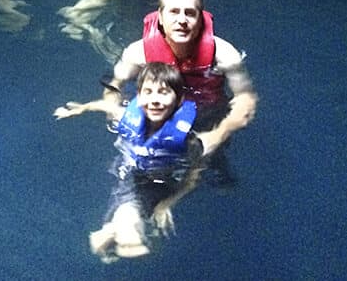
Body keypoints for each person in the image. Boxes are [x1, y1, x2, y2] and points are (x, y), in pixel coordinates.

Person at [54, 63, 227, 262]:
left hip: (164, 183)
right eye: (148, 93)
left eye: (163, 93)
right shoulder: (128, 117)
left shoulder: (187, 141)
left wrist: (167, 203)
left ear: (179, 100)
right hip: (129, 174)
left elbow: (193, 177)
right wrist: (80, 109)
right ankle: (124, 233)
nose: (154, 100)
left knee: (136, 209)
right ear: (139, 96)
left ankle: (120, 233)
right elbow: (108, 106)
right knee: (130, 206)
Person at [106, 0, 257, 131]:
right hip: (157, 114)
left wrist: (217, 136)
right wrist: (116, 113)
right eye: (174, 12)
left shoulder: (224, 55)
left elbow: (245, 99)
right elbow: (113, 87)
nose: (182, 20)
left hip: (208, 115)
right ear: (160, 17)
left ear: (200, 20)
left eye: (190, 13)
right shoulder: (137, 54)